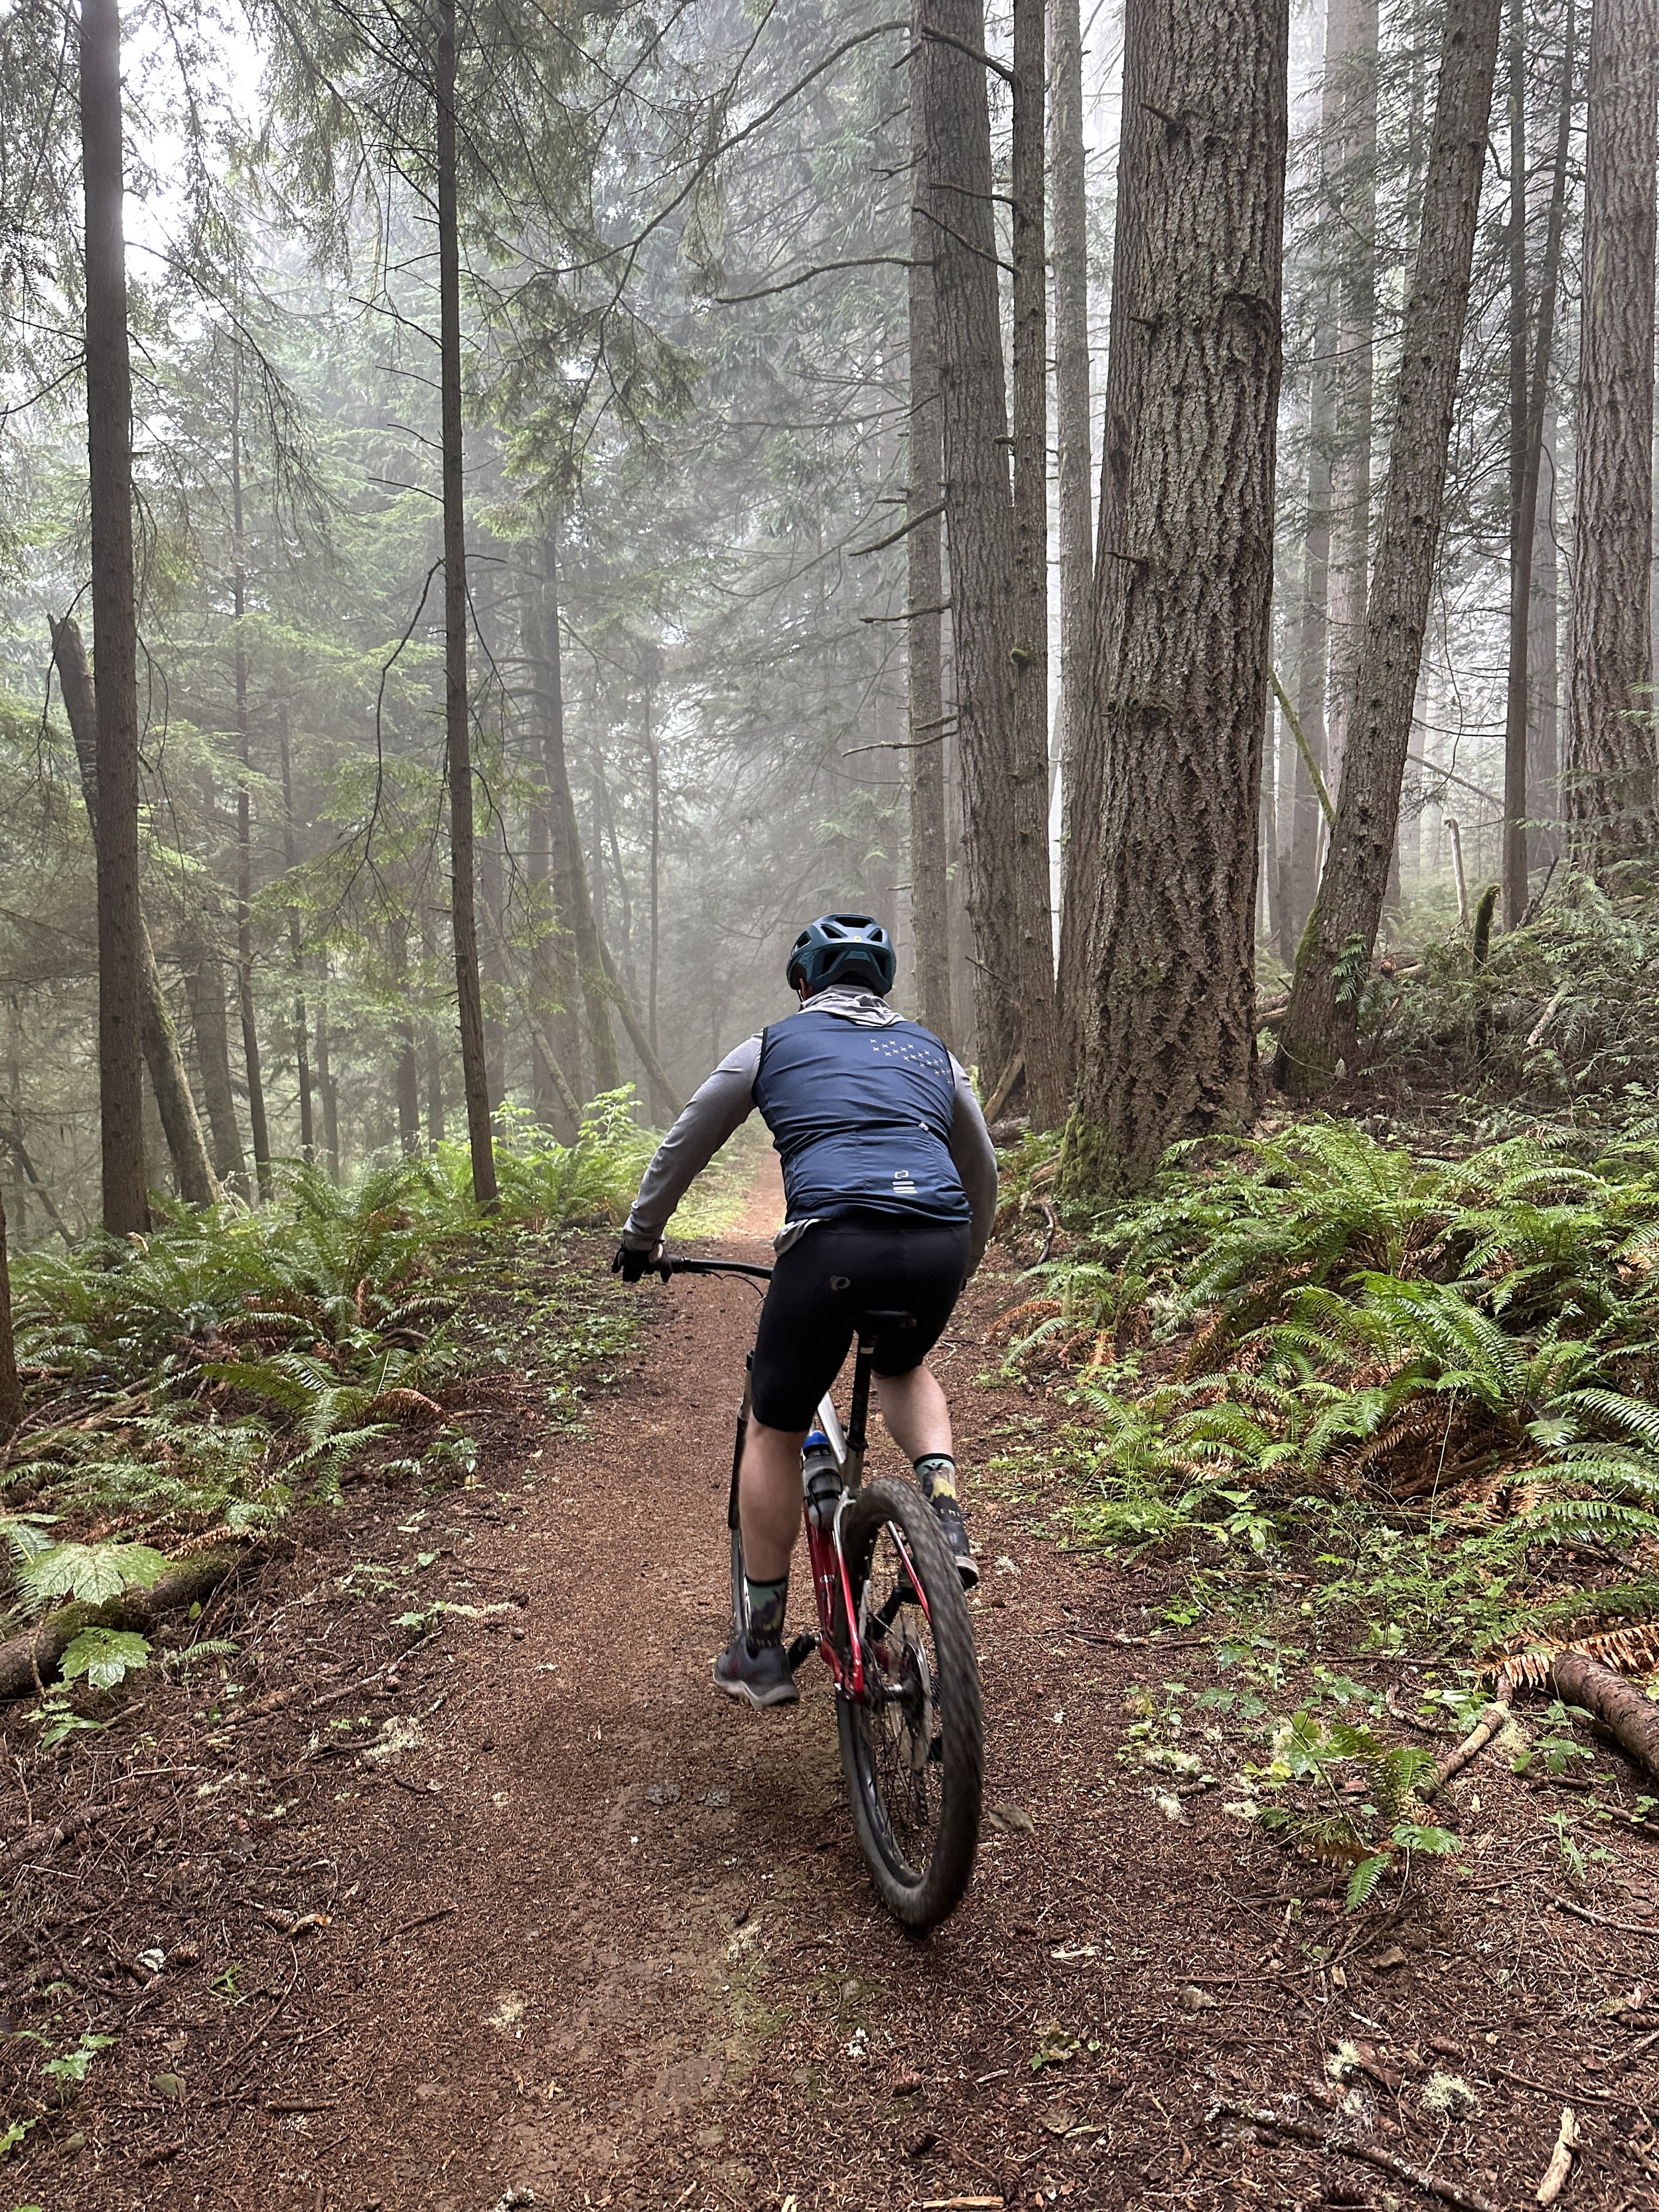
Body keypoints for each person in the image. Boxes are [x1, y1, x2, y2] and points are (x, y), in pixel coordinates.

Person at [612, 914, 999, 1709]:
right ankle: (945, 1514)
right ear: (880, 985)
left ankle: (759, 1645)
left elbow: (687, 1140)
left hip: (830, 1242)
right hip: (938, 1237)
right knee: (902, 1362)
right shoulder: (933, 1052)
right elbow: (980, 1165)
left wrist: (640, 1236)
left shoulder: (769, 1045)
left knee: (776, 1425)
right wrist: (964, 1258)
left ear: (803, 984)